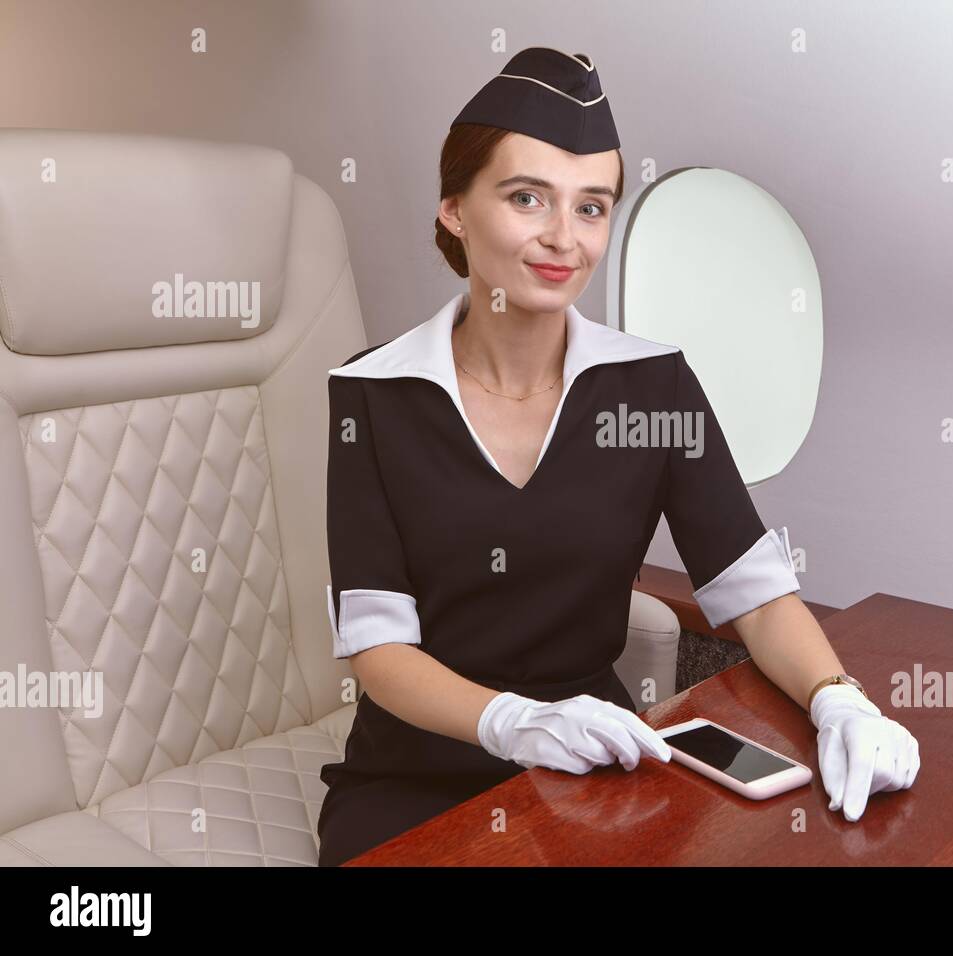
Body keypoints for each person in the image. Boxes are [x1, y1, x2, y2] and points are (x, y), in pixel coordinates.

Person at [315, 47, 919, 867]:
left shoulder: (652, 388)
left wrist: (840, 702)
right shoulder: (374, 393)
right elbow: (381, 652)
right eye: (527, 198)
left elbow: (757, 595)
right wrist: (512, 721)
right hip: (414, 776)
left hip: (594, 762)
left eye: (592, 207)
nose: (564, 239)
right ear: (455, 208)